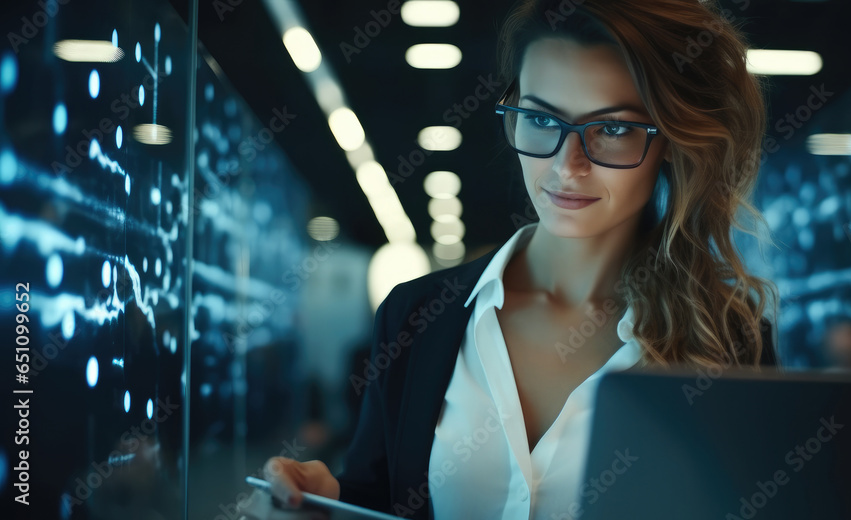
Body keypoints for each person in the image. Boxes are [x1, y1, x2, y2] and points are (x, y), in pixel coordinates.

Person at [251, 0, 779, 518]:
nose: (566, 167)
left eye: (613, 129)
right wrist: (330, 503)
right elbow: (380, 496)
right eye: (541, 119)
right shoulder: (416, 317)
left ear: (670, 141)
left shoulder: (730, 339)